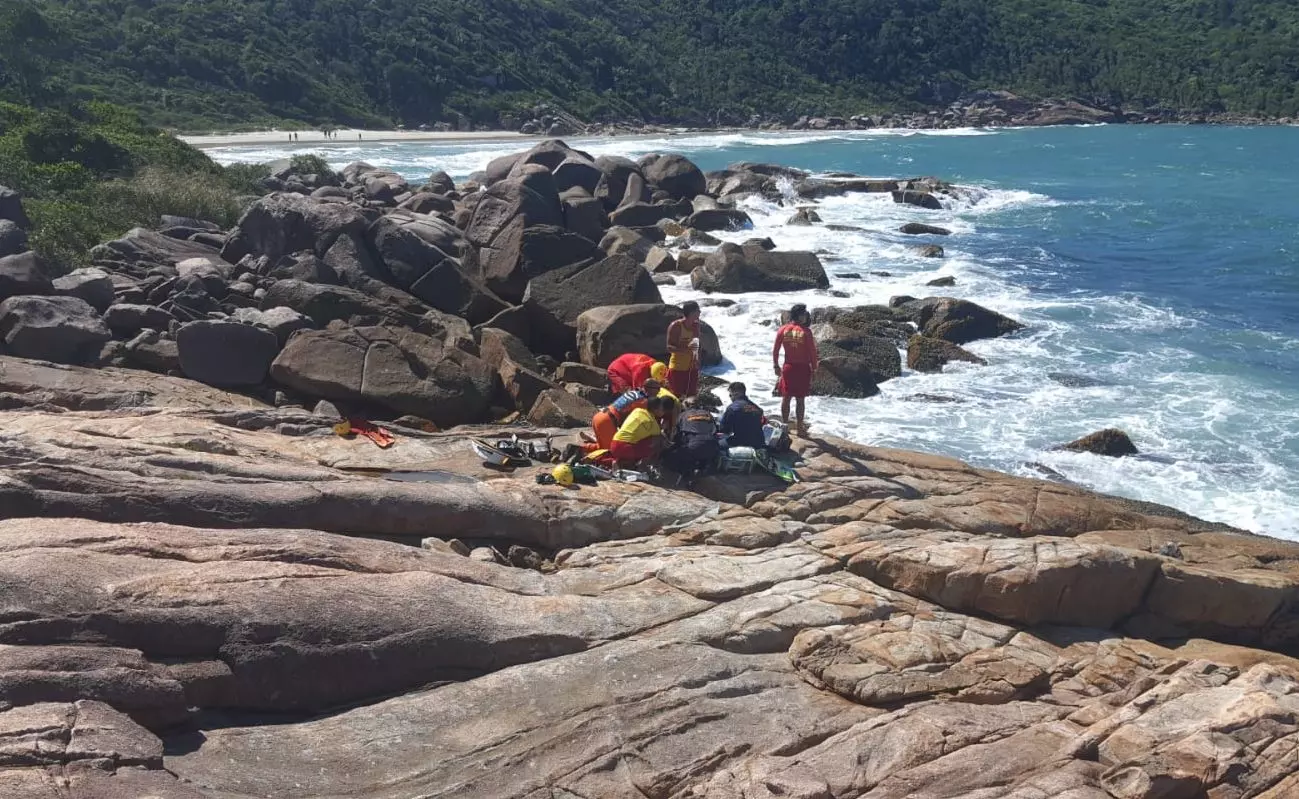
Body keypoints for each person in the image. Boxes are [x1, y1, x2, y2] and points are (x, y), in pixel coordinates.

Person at [773, 303, 818, 436]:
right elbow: (812, 353)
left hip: (788, 367)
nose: (806, 316)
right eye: (804, 314)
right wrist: (815, 369)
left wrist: (776, 365)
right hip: (803, 368)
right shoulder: (806, 332)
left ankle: (784, 426)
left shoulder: (783, 329)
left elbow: (775, 350)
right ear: (799, 315)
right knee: (800, 399)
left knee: (786, 398)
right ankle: (799, 428)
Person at [590, 378, 660, 449]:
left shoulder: (635, 392)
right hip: (607, 421)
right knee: (611, 452)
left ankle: (583, 449)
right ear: (650, 389)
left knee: (602, 447)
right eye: (658, 388)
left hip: (601, 415)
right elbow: (632, 420)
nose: (659, 391)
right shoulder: (642, 401)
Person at [664, 406, 722, 486]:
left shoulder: (683, 415)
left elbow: (677, 437)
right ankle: (697, 475)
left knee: (668, 459)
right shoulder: (708, 414)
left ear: (686, 406)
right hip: (713, 448)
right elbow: (716, 431)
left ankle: (683, 478)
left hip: (694, 447)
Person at [609, 395, 670, 467]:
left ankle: (624, 461)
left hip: (613, 443)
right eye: (662, 409)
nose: (663, 412)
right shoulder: (652, 424)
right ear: (655, 409)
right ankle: (646, 465)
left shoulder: (637, 410)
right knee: (658, 441)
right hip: (625, 449)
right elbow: (661, 437)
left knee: (641, 440)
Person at [665, 301, 703, 398]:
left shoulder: (696, 325)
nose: (700, 312)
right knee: (677, 397)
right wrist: (686, 349)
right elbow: (669, 347)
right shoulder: (676, 326)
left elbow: (697, 345)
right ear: (691, 312)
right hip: (678, 367)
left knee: (692, 396)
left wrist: (698, 359)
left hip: (692, 367)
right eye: (698, 310)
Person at [720, 382, 767, 449]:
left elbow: (724, 430)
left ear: (736, 394)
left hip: (741, 442)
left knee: (716, 444)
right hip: (759, 442)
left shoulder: (732, 408)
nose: (730, 398)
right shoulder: (758, 409)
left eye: (730, 395)